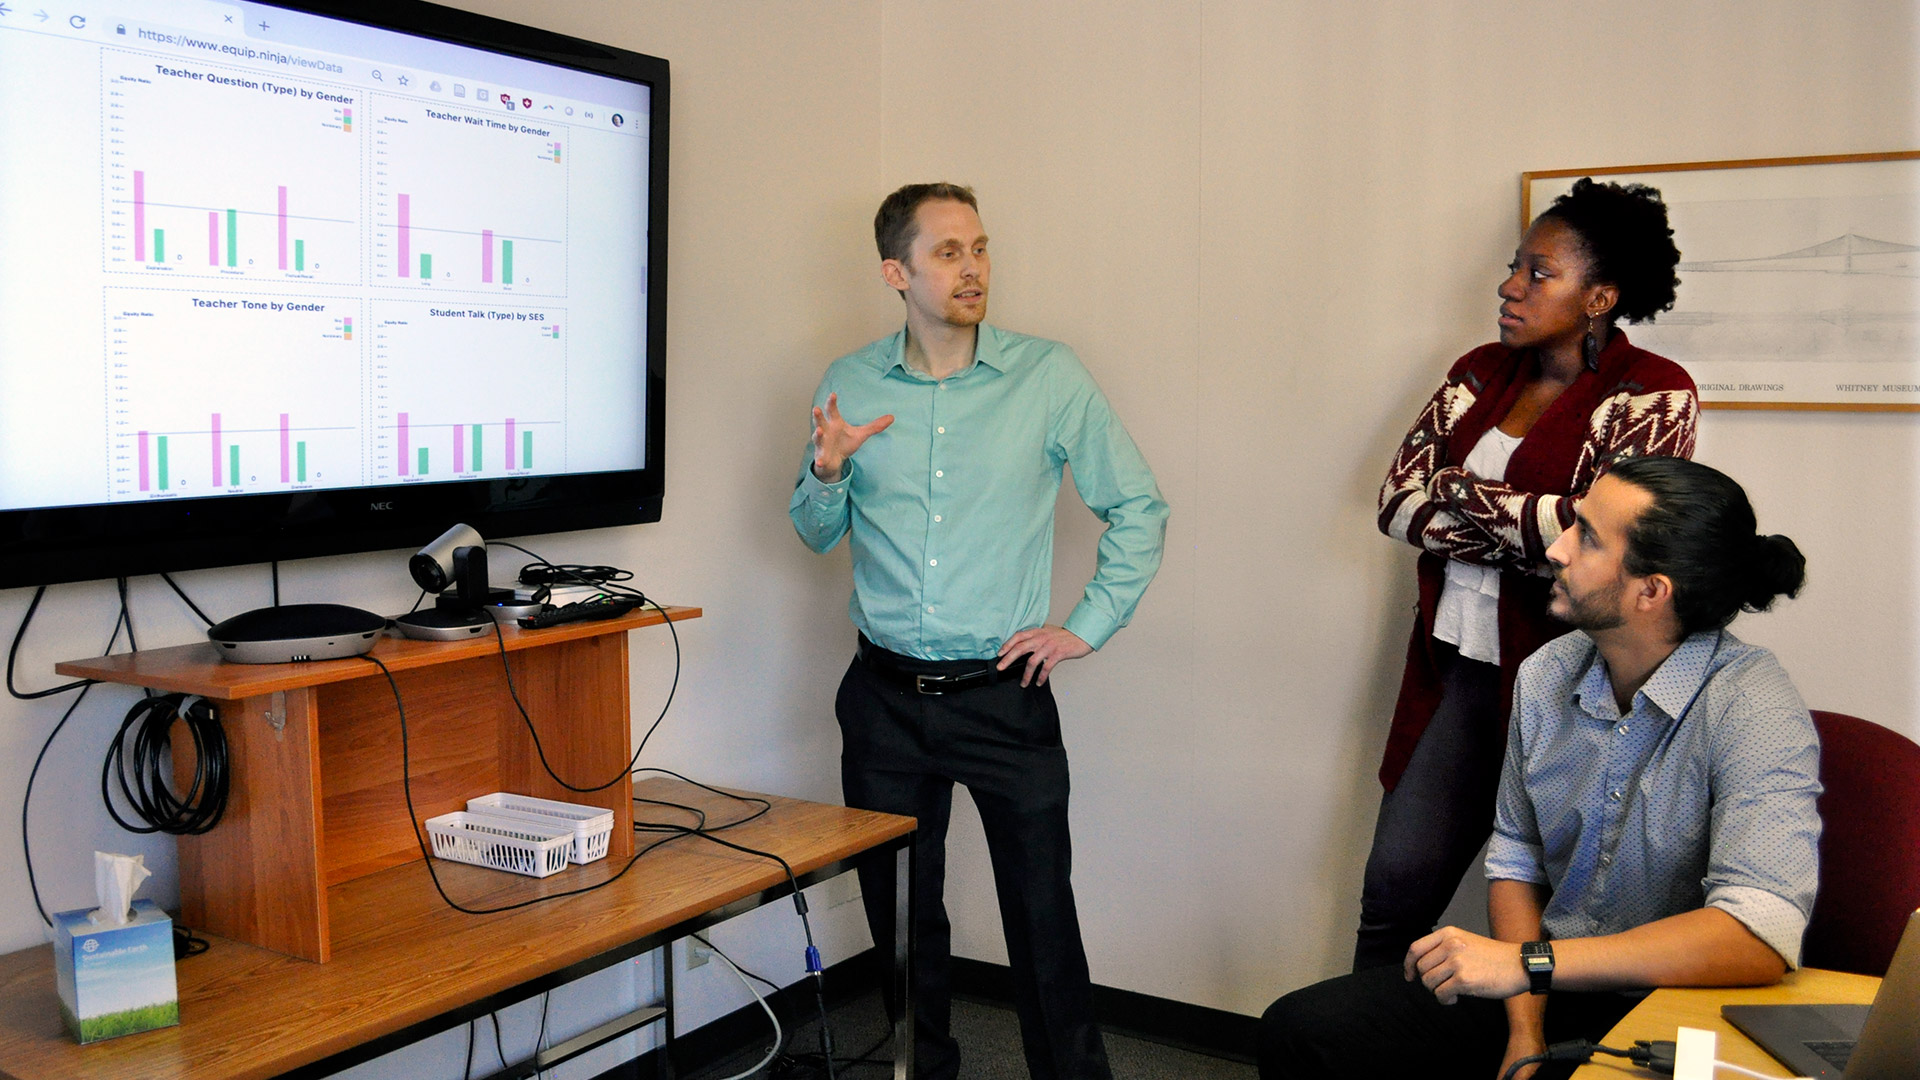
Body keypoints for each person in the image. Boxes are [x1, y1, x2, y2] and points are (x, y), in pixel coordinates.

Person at [1261, 455, 1820, 1080]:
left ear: (1651, 590)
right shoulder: (1546, 673)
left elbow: (1759, 931)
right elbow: (1518, 853)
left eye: (1586, 536)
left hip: (1685, 1006)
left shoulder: (1752, 701)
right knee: (1303, 1032)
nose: (1556, 549)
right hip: (1553, 987)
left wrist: (1529, 964)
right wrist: (1525, 1030)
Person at [789, 182, 1169, 1080]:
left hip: (1004, 697)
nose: (973, 269)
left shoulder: (1049, 375)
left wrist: (1084, 626)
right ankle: (925, 1071)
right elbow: (812, 533)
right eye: (949, 252)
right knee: (903, 924)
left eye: (981, 249)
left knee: (1042, 917)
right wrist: (827, 468)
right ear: (897, 272)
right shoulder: (847, 384)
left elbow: (1139, 507)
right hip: (881, 697)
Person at [1361, 179, 1702, 971]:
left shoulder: (1653, 391)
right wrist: (1540, 518)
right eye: (1515, 267)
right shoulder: (1480, 370)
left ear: (1599, 297)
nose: (1511, 287)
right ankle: (1353, 1045)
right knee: (1395, 887)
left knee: (1566, 912)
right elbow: (1395, 504)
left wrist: (1457, 491)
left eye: (1539, 273)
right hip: (1458, 674)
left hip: (1573, 689)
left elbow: (1604, 539)